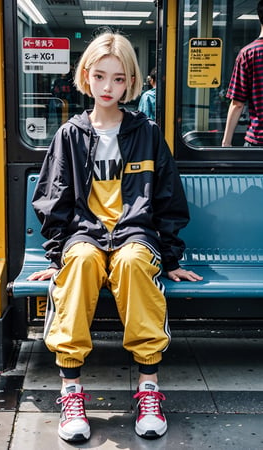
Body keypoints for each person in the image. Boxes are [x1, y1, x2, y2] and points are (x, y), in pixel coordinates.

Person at [28, 31, 202, 443]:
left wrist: (171, 259)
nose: (109, 87)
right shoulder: (70, 135)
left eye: (120, 79)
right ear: (85, 76)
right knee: (83, 262)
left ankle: (148, 388)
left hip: (133, 234)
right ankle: (70, 391)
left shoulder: (146, 133)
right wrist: (57, 260)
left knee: (133, 261)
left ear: (131, 83)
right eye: (101, 76)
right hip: (84, 236)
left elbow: (167, 198)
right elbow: (54, 201)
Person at [222, 0, 263, 147]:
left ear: (259, 17)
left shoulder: (248, 53)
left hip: (258, 140)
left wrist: (226, 142)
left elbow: (237, 104)